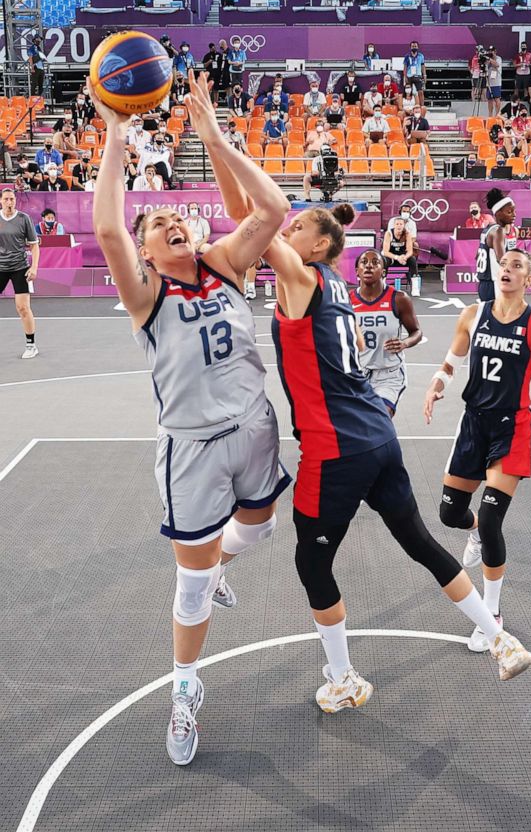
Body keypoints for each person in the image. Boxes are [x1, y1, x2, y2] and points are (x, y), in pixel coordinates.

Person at [90, 69, 291, 766]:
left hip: (255, 425)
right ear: (146, 251)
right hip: (193, 447)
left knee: (260, 527)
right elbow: (108, 226)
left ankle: (222, 560)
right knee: (192, 581)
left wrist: (213, 135)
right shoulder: (145, 296)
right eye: (157, 224)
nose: (169, 223)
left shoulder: (224, 265)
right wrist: (117, 135)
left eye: (175, 217)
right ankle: (183, 692)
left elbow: (271, 210)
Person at [260, 204, 531, 710]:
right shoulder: (334, 282)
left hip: (335, 447)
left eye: (298, 227)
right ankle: (498, 638)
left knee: (312, 560)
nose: (286, 229)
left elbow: (257, 222)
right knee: (421, 542)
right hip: (379, 434)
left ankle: (342, 678)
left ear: (320, 246)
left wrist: (211, 133)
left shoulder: (304, 281)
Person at [424, 248, 531, 652]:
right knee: (450, 514)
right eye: (505, 265)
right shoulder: (472, 315)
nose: (508, 270)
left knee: (494, 518)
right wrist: (436, 386)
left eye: (517, 266)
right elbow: (450, 361)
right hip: (474, 424)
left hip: (513, 428)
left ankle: (491, 616)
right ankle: (473, 531)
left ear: (529, 278)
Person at [351, 250, 422, 416]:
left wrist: (404, 343)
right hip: (358, 374)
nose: (369, 265)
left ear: (383, 271)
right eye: (364, 262)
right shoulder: (348, 301)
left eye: (375, 262)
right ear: (357, 271)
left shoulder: (398, 299)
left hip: (389, 374)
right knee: (356, 426)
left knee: (379, 419)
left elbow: (416, 332)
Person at [0, 187, 39, 358]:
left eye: (12, 199)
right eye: (6, 199)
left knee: (23, 307)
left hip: (19, 267)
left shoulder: (24, 219)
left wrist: (34, 267)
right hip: (0, 267)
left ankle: (31, 345)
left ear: (16, 201)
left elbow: (34, 245)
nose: (9, 202)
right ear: (1, 201)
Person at [475, 189, 518, 301]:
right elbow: (503, 260)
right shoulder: (498, 231)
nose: (514, 215)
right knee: (502, 317)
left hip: (485, 282)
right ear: (498, 214)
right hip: (494, 282)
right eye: (509, 212)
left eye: (514, 211)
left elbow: (477, 256)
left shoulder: (488, 229)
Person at [382, 217, 418, 281]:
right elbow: (385, 252)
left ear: (404, 225)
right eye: (397, 224)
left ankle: (415, 287)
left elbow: (410, 251)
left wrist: (405, 257)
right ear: (394, 225)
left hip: (403, 257)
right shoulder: (389, 233)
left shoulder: (407, 234)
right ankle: (383, 283)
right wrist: (397, 257)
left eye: (401, 224)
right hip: (392, 257)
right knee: (384, 260)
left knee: (412, 260)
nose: (399, 226)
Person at [403, 40, 426, 105]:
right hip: (409, 76)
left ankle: (422, 106)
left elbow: (423, 66)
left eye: (415, 46)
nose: (414, 47)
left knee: (420, 92)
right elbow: (405, 67)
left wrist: (424, 75)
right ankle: (409, 106)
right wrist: (405, 77)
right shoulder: (407, 56)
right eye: (413, 46)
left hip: (418, 76)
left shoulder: (421, 56)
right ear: (410, 47)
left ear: (418, 47)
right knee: (408, 92)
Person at [485, 48, 503, 118]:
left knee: (497, 99)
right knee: (489, 99)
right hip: (489, 82)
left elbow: (497, 65)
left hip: (496, 82)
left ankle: (497, 114)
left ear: (495, 51)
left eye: (492, 51)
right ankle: (490, 115)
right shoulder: (487, 59)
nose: (490, 52)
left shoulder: (498, 58)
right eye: (489, 51)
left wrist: (490, 59)